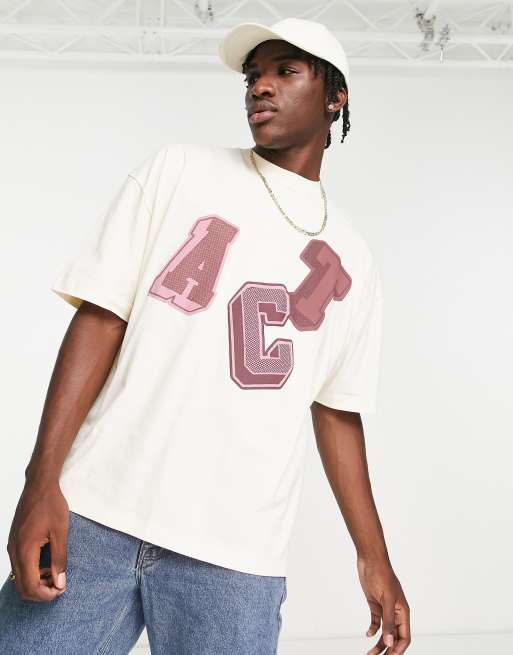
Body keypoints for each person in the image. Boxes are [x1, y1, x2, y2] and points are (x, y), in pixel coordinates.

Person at [0, 16, 411, 655]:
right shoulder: (178, 171)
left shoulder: (352, 257)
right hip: (97, 514)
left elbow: (336, 411)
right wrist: (40, 481)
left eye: (285, 71)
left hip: (235, 556)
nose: (260, 87)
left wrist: (374, 556)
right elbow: (101, 318)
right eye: (253, 76)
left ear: (336, 97)